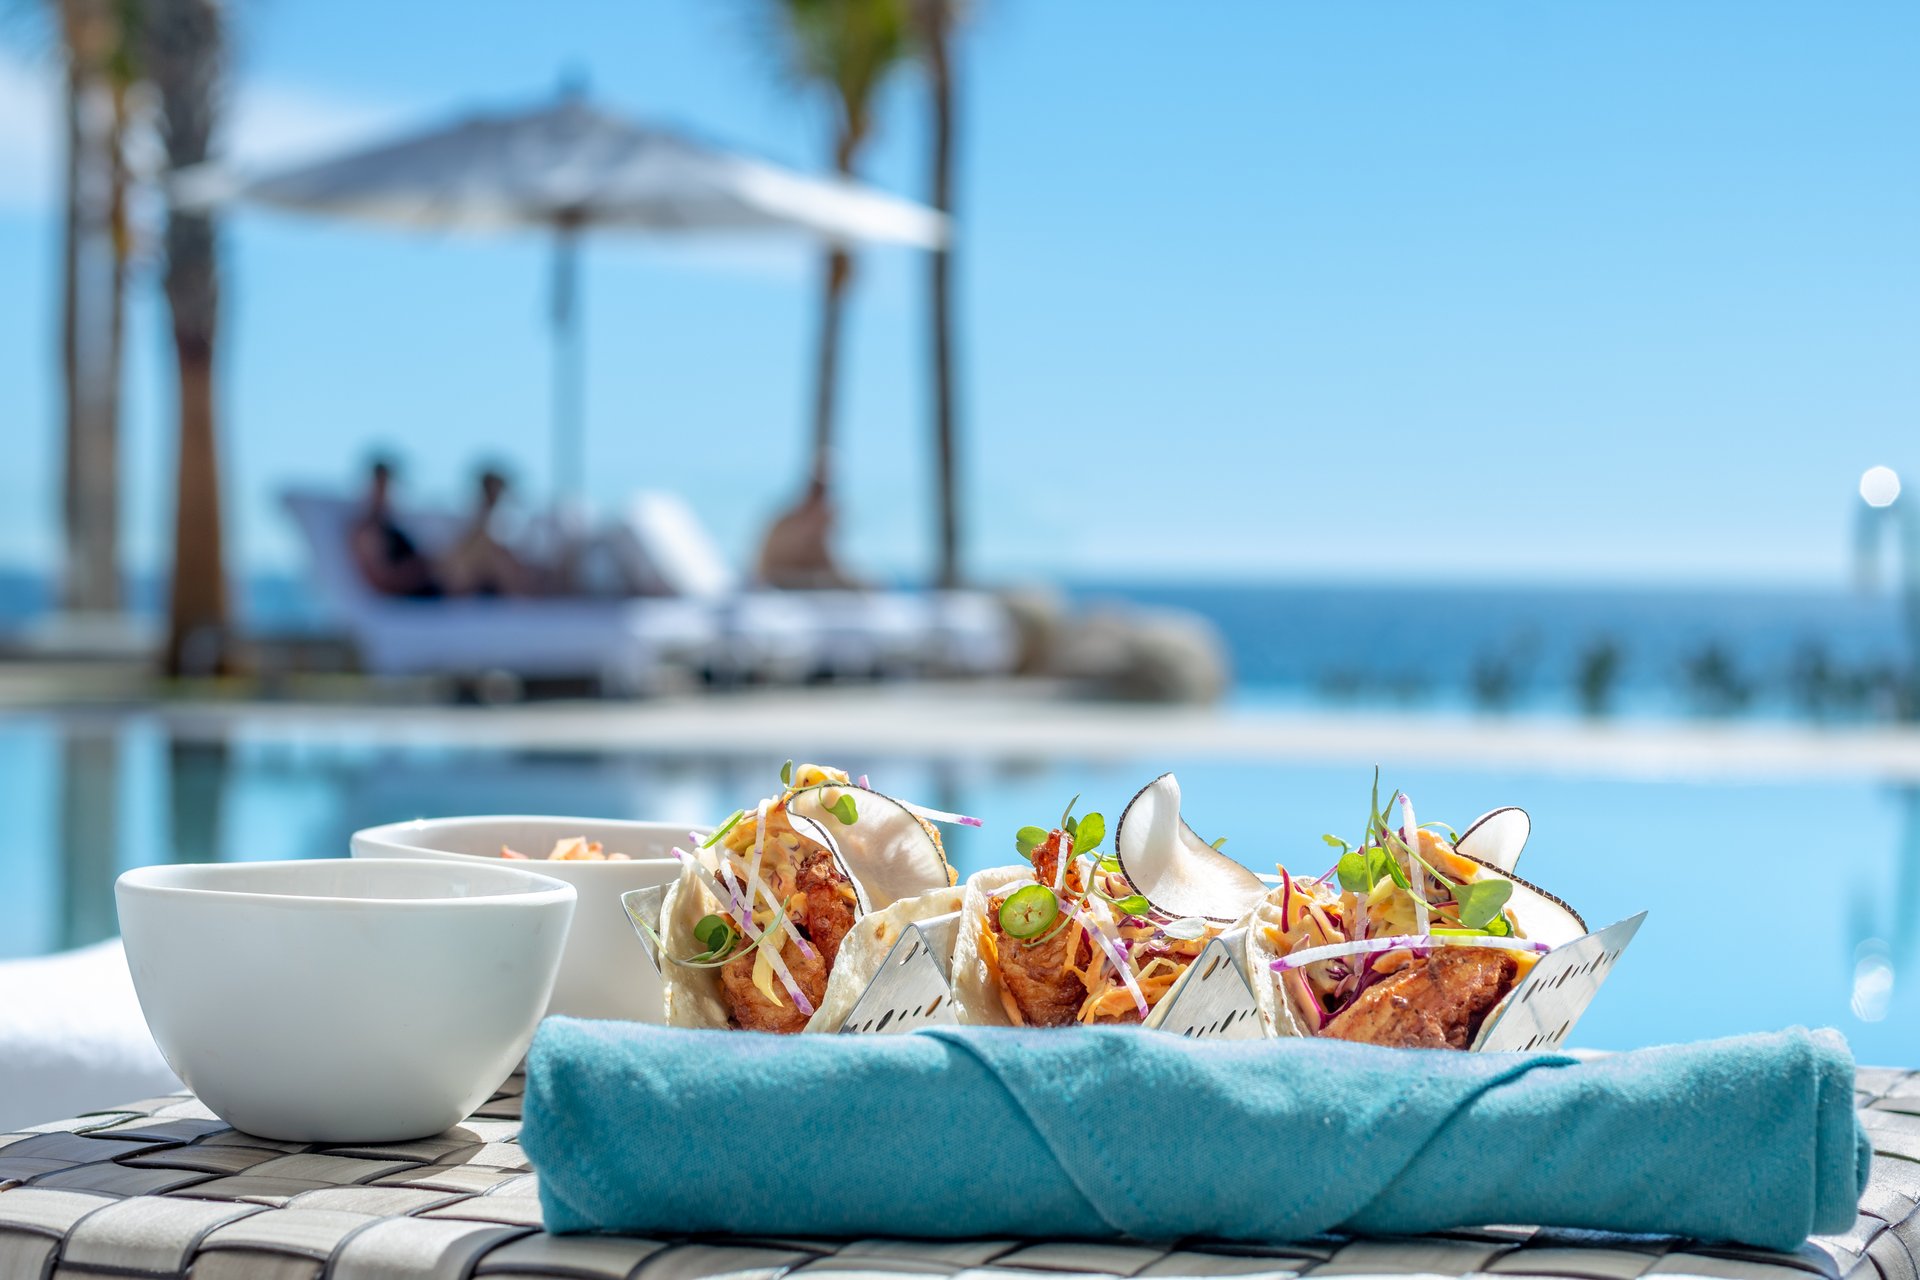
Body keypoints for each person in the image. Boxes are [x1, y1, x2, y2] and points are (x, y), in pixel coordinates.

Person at [350, 456, 441, 598]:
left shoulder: (393, 527)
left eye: (389, 487)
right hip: (419, 590)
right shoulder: (368, 532)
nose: (386, 493)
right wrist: (421, 569)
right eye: (382, 486)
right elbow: (382, 582)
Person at [440, 466, 535, 597]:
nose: (496, 495)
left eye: (498, 490)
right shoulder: (467, 520)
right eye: (493, 490)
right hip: (469, 589)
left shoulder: (504, 521)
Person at [755, 477, 860, 590]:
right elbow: (769, 571)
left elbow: (827, 566)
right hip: (775, 581)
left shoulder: (816, 536)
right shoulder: (790, 528)